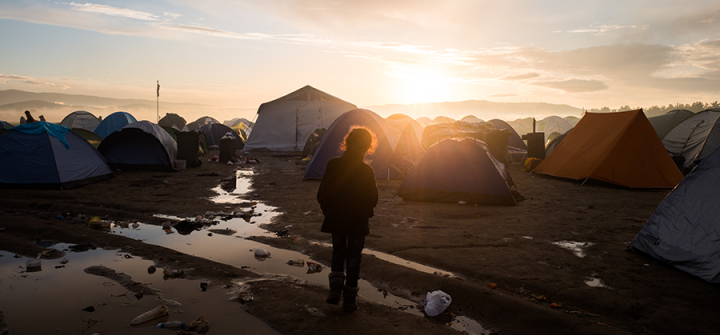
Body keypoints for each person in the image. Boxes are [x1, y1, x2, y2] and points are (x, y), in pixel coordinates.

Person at [317, 127, 378, 313]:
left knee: (338, 252)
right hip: (358, 221)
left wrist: (329, 211)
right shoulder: (367, 171)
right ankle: (350, 301)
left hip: (336, 218)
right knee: (354, 258)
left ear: (347, 142)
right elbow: (373, 199)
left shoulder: (333, 164)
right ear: (367, 147)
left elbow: (322, 194)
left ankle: (335, 291)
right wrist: (366, 213)